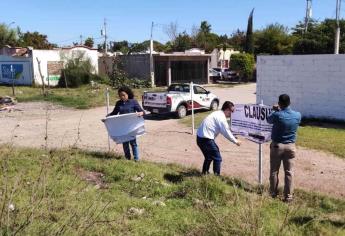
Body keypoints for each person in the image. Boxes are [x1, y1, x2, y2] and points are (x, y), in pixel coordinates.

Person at [267, 94, 301, 202]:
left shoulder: (277, 115)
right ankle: (288, 197)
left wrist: (274, 110)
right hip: (290, 146)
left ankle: (273, 193)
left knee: (274, 171)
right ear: (290, 103)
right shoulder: (297, 115)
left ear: (280, 103)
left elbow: (269, 119)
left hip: (277, 146)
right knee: (289, 172)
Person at [196, 101, 241, 175]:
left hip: (200, 137)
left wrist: (233, 136)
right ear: (227, 109)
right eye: (231, 111)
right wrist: (236, 141)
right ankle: (216, 177)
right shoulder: (221, 118)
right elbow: (226, 132)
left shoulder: (218, 113)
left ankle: (204, 174)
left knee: (209, 157)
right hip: (206, 139)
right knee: (217, 158)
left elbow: (225, 130)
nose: (232, 113)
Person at [107, 86, 145, 161]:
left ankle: (136, 159)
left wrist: (141, 113)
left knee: (133, 143)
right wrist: (107, 118)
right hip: (123, 127)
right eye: (120, 95)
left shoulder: (133, 101)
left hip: (131, 127)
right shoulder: (118, 103)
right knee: (125, 143)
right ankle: (127, 158)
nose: (122, 97)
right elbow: (114, 113)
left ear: (128, 94)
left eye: (123, 95)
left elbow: (142, 111)